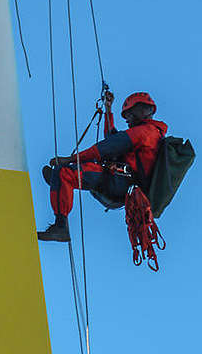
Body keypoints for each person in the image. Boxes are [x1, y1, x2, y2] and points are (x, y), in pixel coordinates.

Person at [37, 91, 168, 242]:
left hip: (118, 183)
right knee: (69, 173)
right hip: (122, 186)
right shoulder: (151, 133)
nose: (127, 119)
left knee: (63, 172)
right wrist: (108, 110)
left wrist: (70, 159)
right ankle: (60, 185)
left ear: (146, 110)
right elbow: (113, 139)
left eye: (130, 114)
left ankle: (60, 226)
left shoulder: (145, 132)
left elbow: (105, 148)